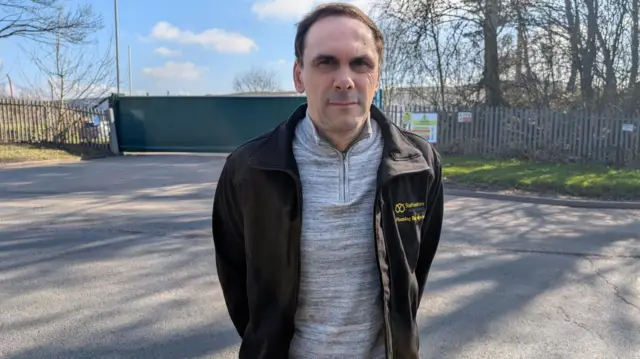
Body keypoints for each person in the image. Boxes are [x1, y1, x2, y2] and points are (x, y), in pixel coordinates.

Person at [212, 2, 444, 358]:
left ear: (377, 76)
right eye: (326, 62)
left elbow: (414, 276)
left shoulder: (418, 166)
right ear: (299, 75)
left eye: (360, 63)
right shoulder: (249, 171)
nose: (345, 79)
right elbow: (238, 283)